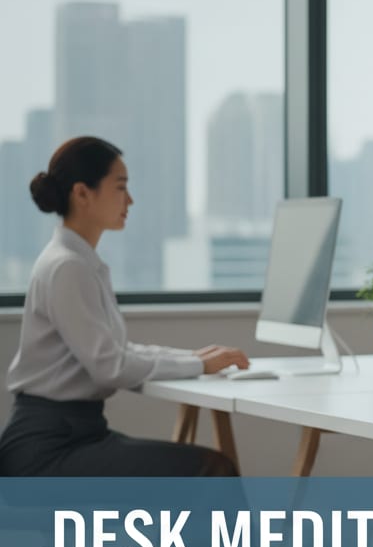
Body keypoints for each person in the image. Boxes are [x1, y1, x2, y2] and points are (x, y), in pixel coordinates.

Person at [1, 137, 250, 477]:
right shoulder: (67, 267)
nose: (129, 200)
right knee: (210, 470)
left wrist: (193, 358)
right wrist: (196, 364)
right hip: (46, 449)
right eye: (120, 187)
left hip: (76, 434)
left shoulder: (80, 262)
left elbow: (114, 352)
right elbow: (111, 366)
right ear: (82, 193)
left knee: (201, 469)